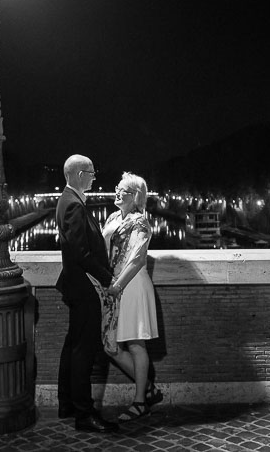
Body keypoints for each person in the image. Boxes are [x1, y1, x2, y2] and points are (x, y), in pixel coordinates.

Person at [54, 154, 119, 433]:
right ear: (80, 174)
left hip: (75, 285)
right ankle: (84, 413)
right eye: (92, 172)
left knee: (72, 346)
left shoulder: (68, 201)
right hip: (84, 287)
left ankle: (66, 403)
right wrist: (109, 277)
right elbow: (81, 253)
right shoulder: (74, 206)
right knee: (83, 351)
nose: (94, 177)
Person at [93, 171, 163, 421]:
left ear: (136, 197)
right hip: (113, 284)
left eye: (123, 189)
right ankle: (148, 389)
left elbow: (137, 259)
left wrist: (117, 286)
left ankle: (140, 401)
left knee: (135, 343)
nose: (117, 191)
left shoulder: (140, 222)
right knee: (109, 344)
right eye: (117, 187)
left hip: (130, 285)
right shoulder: (112, 216)